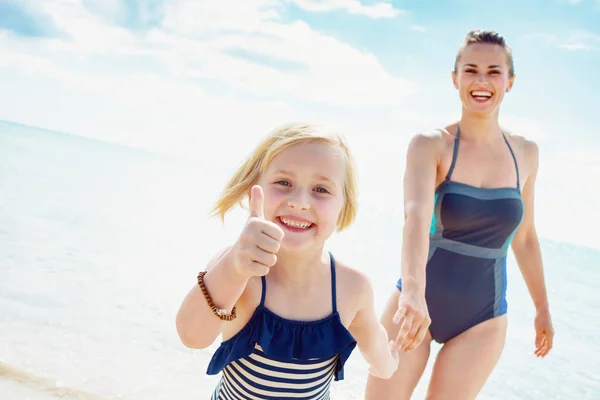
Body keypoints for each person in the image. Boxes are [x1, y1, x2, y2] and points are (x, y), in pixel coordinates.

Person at [364, 29, 555, 400]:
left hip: (483, 319)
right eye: (471, 70)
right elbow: (416, 216)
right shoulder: (431, 144)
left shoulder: (526, 154)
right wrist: (414, 294)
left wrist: (542, 308)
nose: (481, 81)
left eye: (494, 72)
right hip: (416, 302)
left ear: (510, 82)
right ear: (455, 79)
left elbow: (526, 237)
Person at [175, 123, 399, 399]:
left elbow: (377, 353)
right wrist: (234, 268)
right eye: (284, 183)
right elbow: (192, 336)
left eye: (321, 189)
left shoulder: (351, 287)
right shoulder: (239, 269)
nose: (299, 202)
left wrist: (390, 362)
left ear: (344, 206)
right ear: (252, 188)